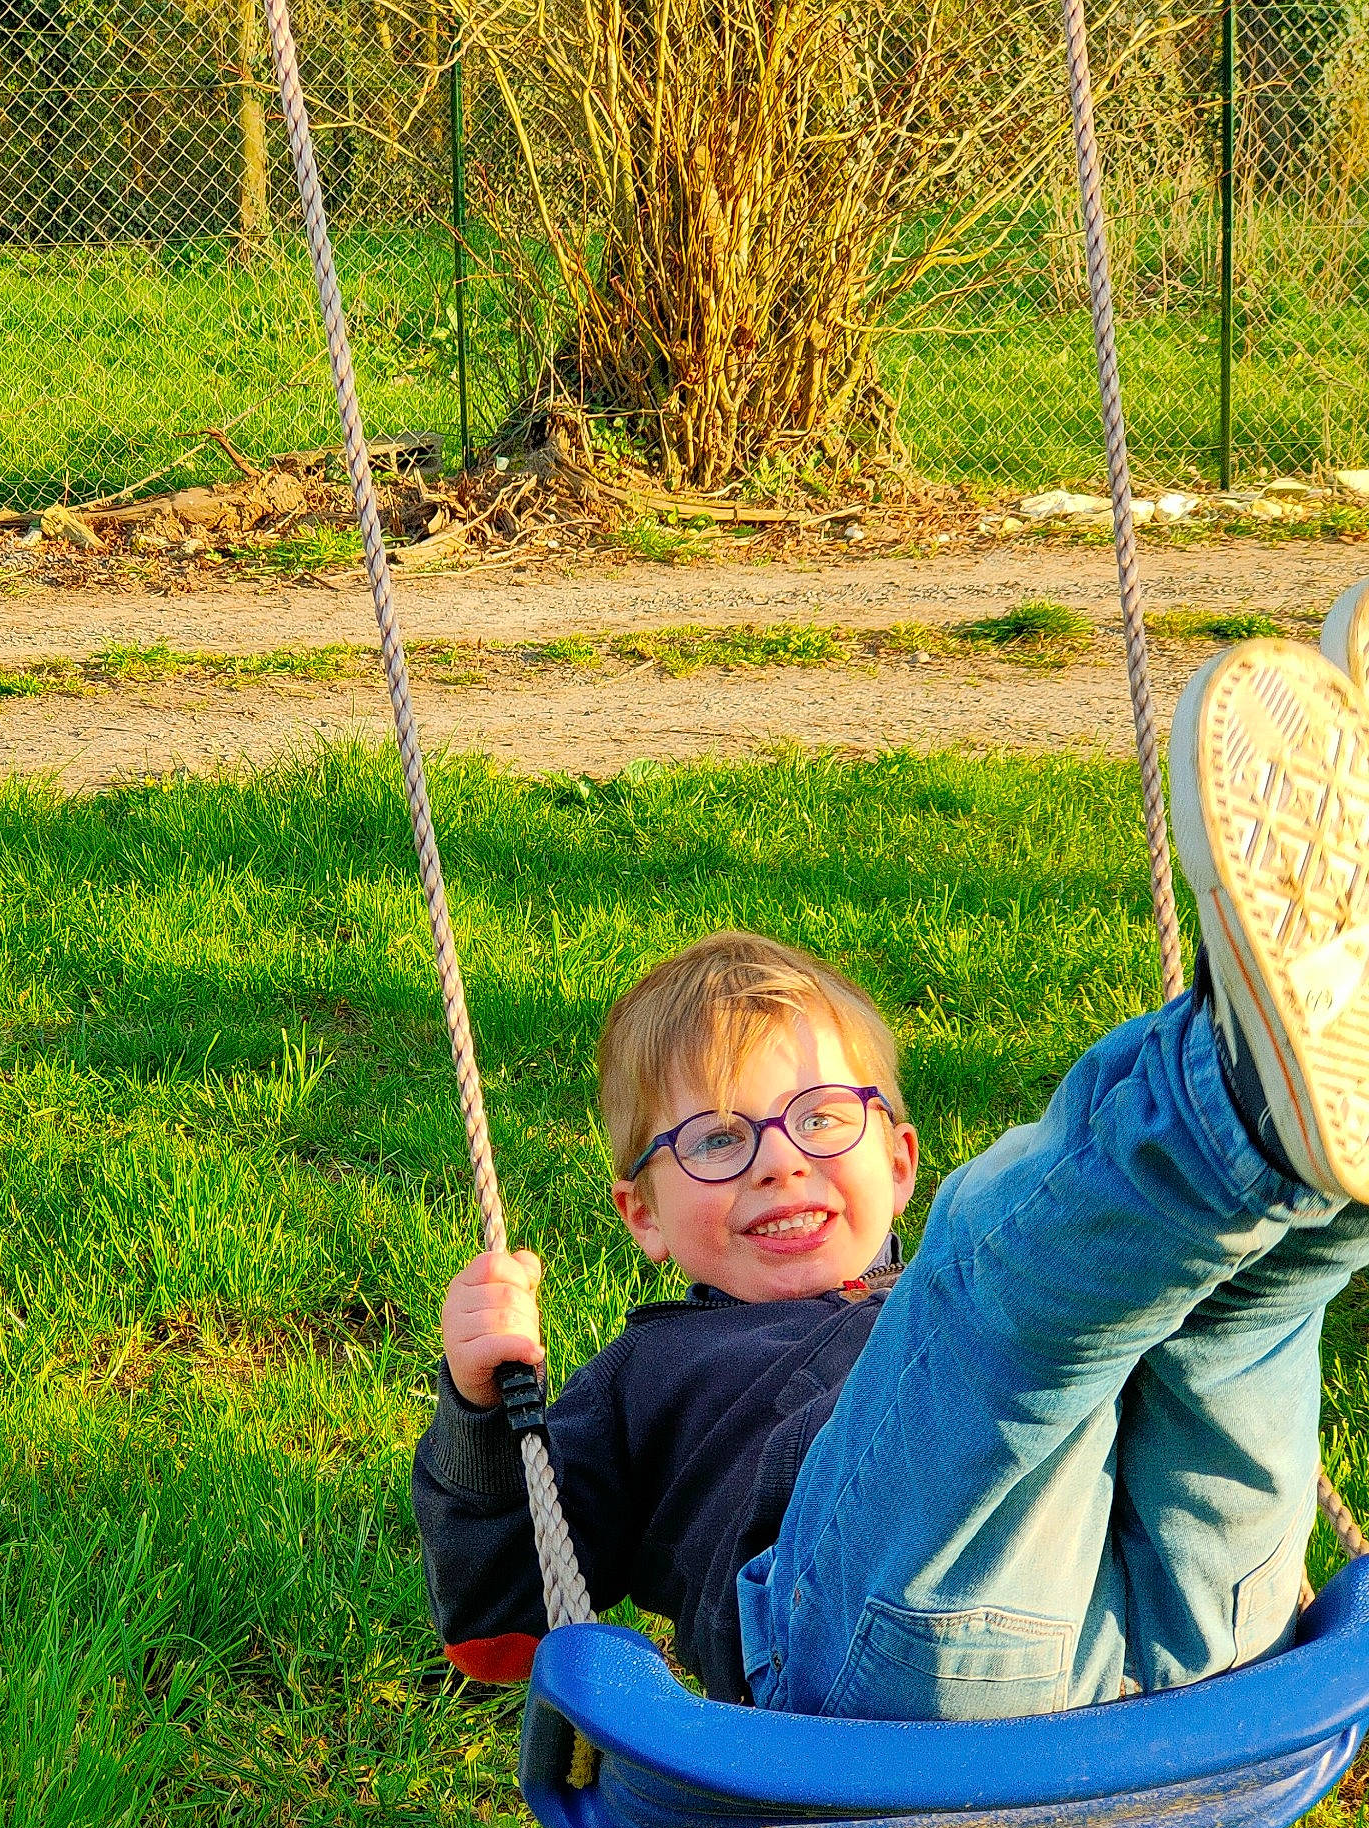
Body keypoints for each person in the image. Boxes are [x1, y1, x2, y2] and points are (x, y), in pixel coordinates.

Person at [412, 630, 1369, 1717]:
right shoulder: (645, 1376)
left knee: (1228, 1307)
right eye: (719, 1142)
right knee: (992, 1291)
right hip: (879, 1653)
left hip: (1202, 1627)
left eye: (822, 1118)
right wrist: (481, 1415)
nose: (778, 1160)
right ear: (644, 1214)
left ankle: (1311, 1145)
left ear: (899, 1159)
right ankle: (1235, 1086)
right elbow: (498, 1629)